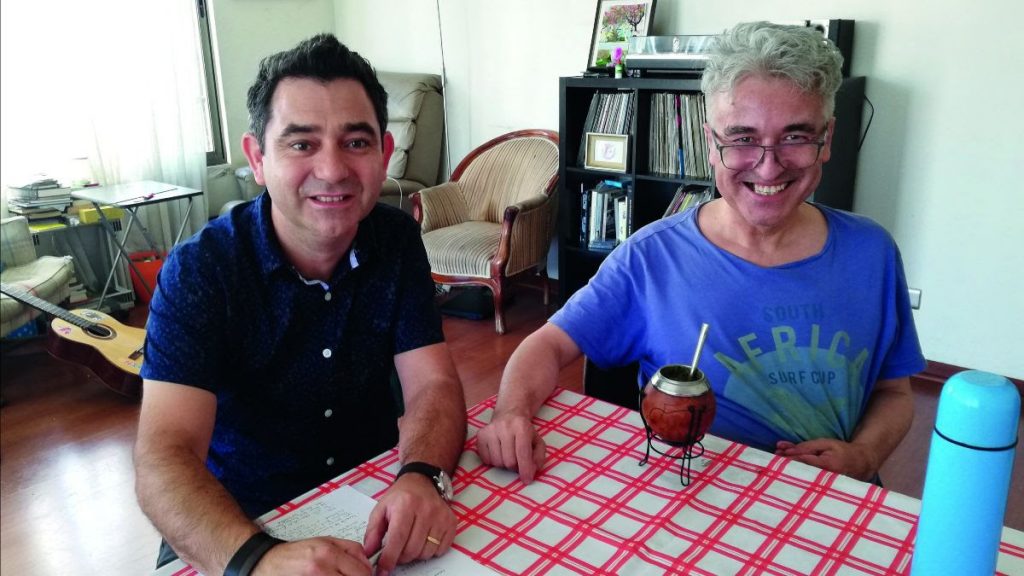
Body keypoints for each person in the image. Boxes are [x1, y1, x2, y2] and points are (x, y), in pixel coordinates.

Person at [477, 21, 925, 486]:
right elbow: (548, 345)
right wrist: (510, 413)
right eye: (743, 139)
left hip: (833, 498)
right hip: (693, 498)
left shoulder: (872, 253)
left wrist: (863, 456)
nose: (768, 167)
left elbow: (894, 392)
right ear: (711, 142)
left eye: (795, 137)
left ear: (827, 139)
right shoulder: (651, 259)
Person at [134, 34, 466, 576]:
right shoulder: (202, 270)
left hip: (371, 504)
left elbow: (432, 383)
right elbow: (163, 456)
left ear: (384, 155)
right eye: (301, 144)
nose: (332, 170)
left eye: (355, 142)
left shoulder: (396, 239)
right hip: (235, 527)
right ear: (257, 159)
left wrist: (422, 475)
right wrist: (257, 560)